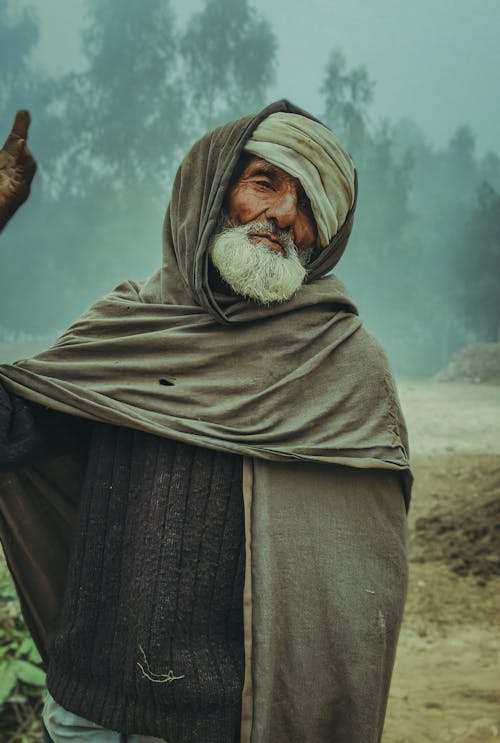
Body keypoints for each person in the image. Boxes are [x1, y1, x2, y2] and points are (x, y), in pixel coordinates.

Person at [0, 101, 411, 743]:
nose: (282, 214)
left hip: (230, 725)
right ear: (213, 190)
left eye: (308, 201)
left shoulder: (344, 367)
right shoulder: (125, 329)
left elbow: (358, 595)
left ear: (325, 235)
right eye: (265, 182)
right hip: (84, 713)